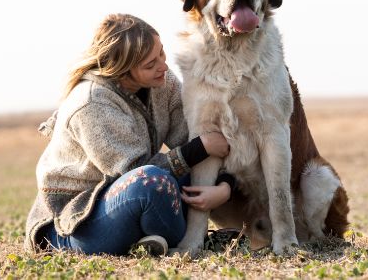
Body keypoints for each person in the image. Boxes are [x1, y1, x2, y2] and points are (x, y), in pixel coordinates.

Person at [24, 13, 235, 256]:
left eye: (161, 53)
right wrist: (201, 147)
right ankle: (186, 242)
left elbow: (197, 139)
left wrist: (225, 187)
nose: (163, 65)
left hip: (131, 198)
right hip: (74, 224)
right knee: (152, 182)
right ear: (122, 71)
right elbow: (134, 170)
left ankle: (152, 240)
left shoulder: (162, 82)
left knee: (192, 169)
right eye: (150, 64)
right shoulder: (91, 103)